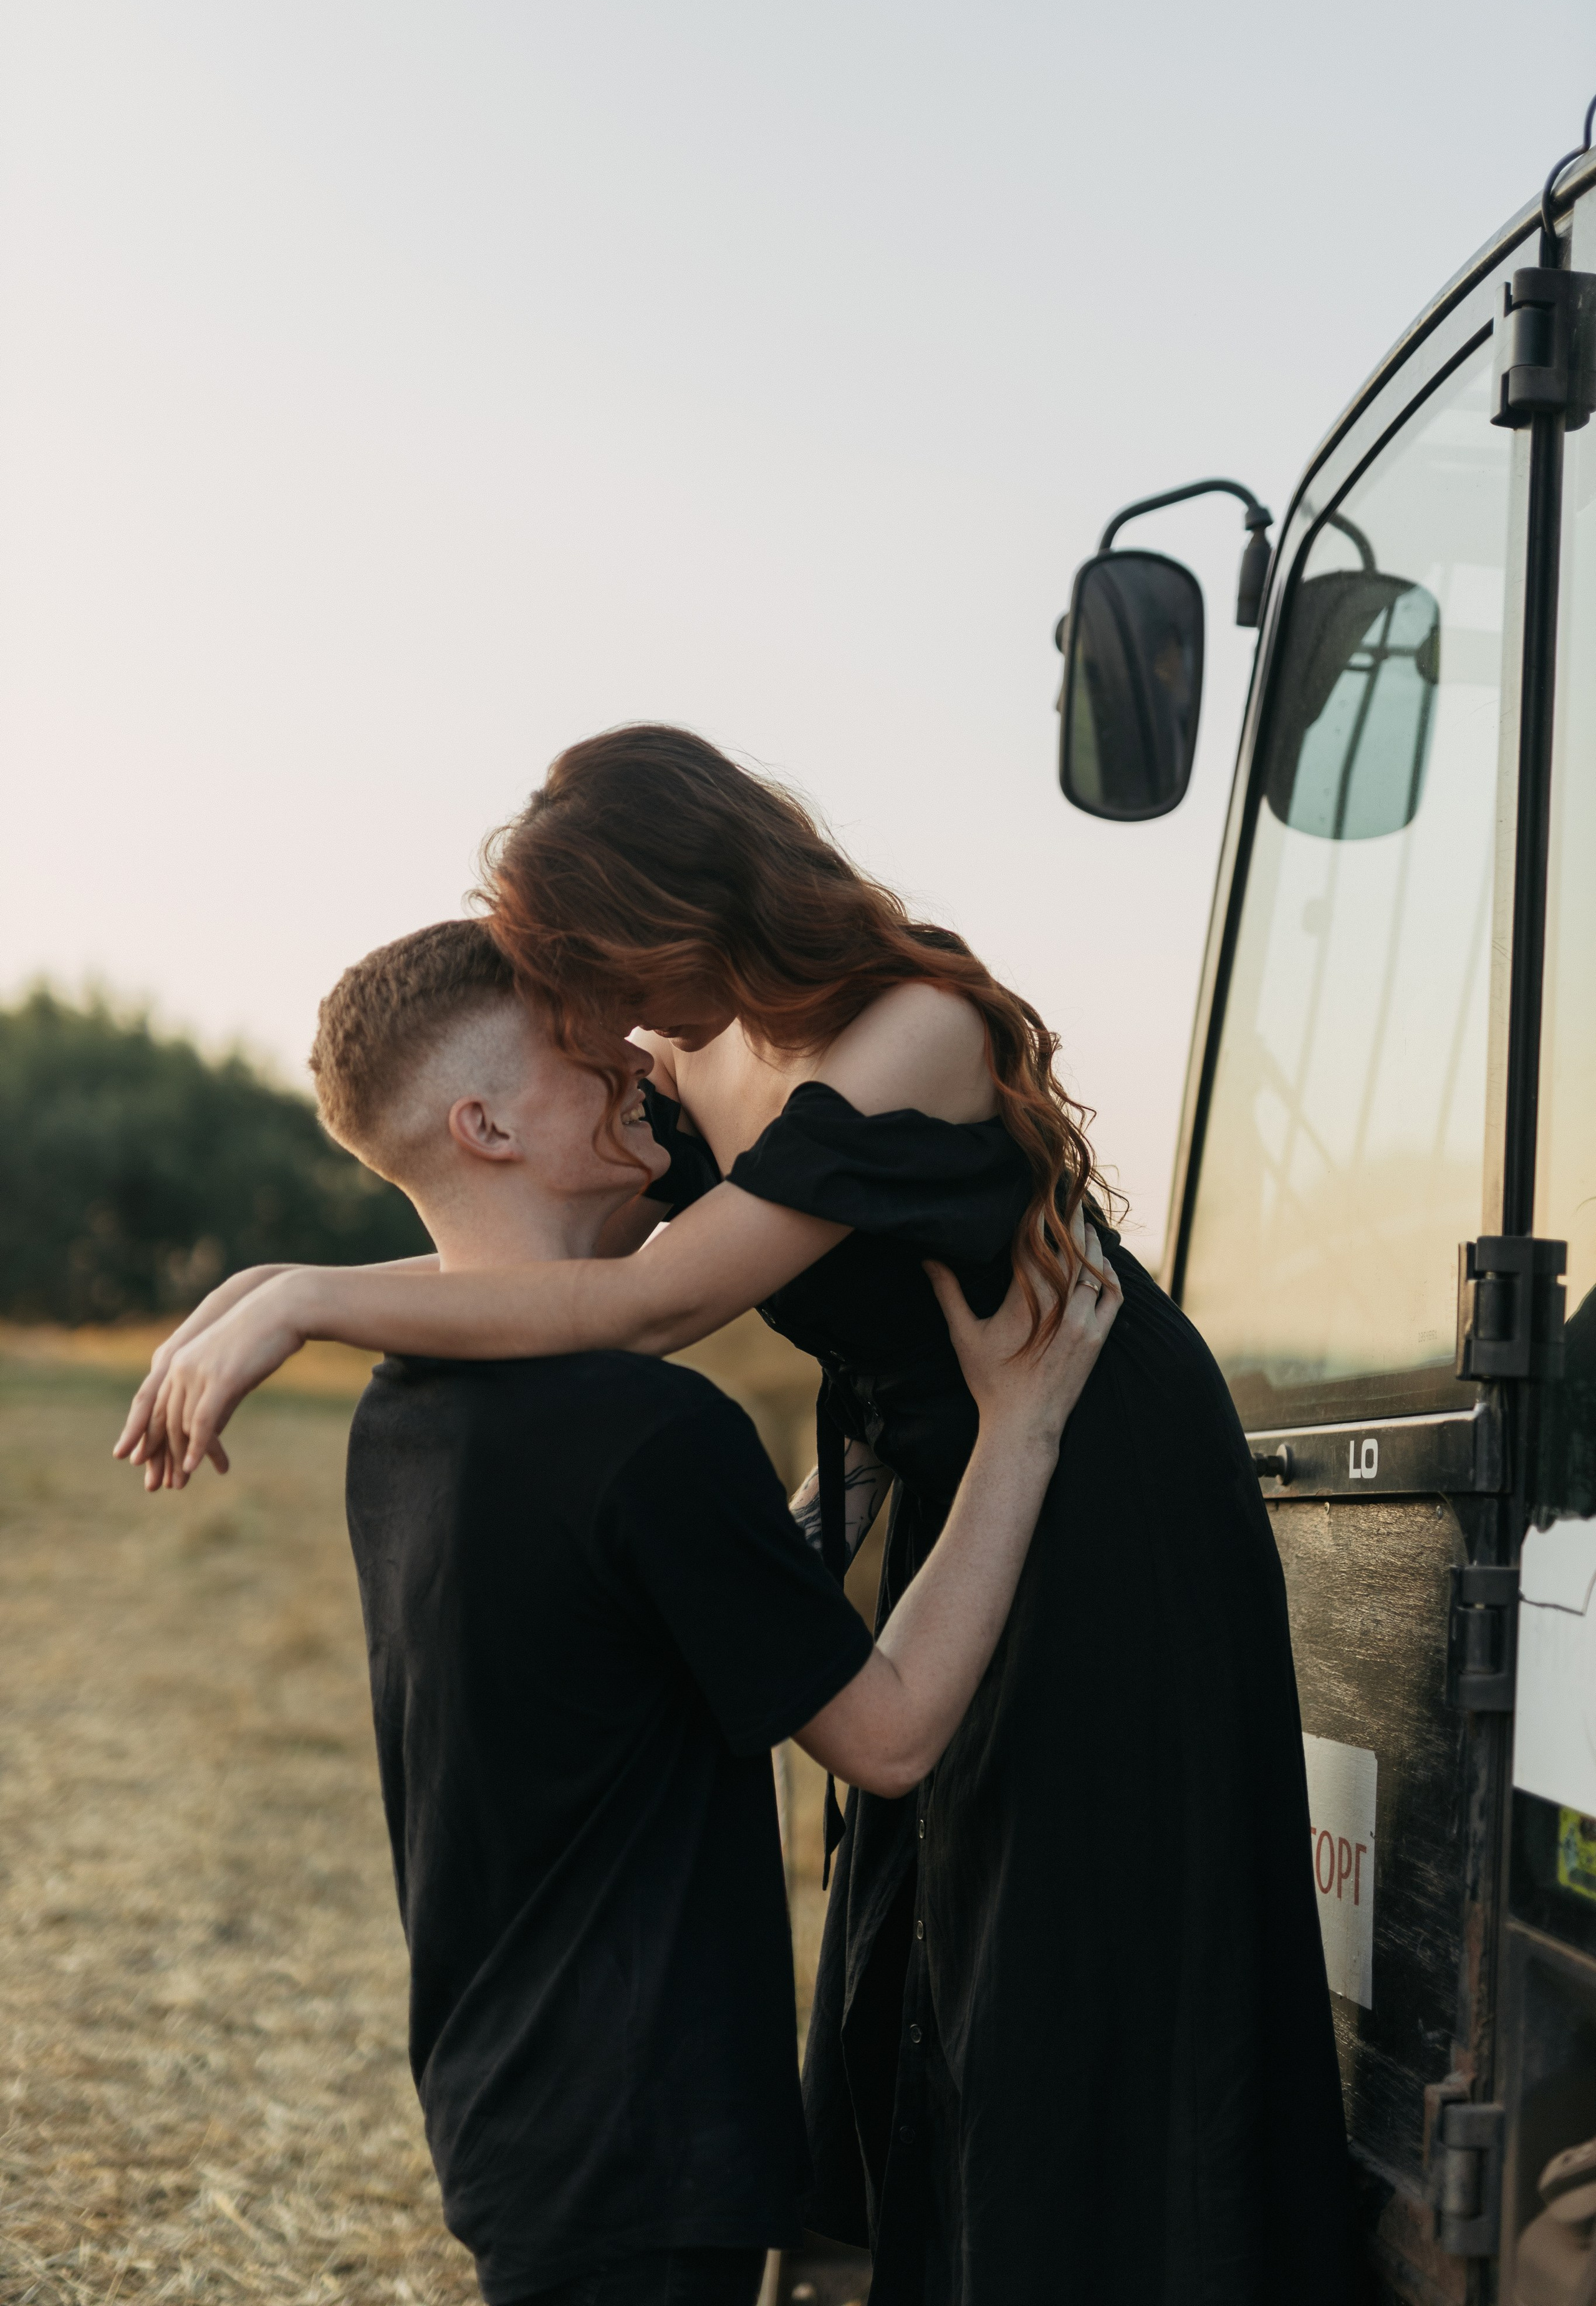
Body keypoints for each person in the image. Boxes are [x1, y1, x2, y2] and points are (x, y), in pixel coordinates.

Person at [118, 726, 1353, 2304]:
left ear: (677, 902)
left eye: (598, 964)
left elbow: (633, 1306)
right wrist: (262, 1292)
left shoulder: (906, 1030)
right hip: (948, 1473)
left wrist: (301, 1296)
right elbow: (530, 1273)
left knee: (1070, 1962)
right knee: (931, 1952)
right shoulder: (689, 1054)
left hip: (1090, 1461)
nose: (603, 1023)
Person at [304, 915, 1117, 2306]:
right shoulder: (644, 1429)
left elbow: (665, 1632)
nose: (634, 1067)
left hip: (517, 2107)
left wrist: (863, 1444)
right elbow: (892, 1733)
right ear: (485, 1125)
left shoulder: (405, 1415)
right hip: (648, 2126)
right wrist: (1017, 1429)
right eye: (583, 1050)